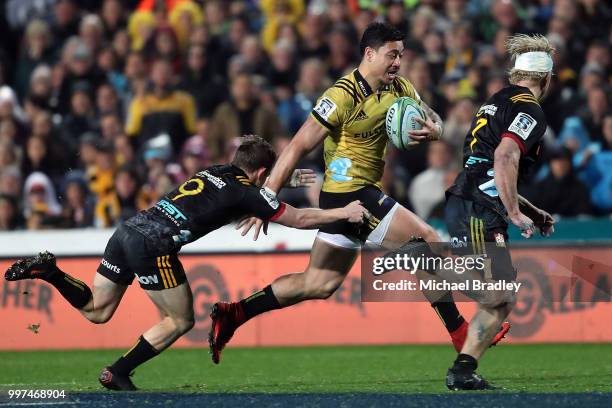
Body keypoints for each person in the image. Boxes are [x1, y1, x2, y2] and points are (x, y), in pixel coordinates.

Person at [209, 22, 509, 365]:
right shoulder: (341, 96)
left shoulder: (400, 87)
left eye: (401, 54)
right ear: (369, 54)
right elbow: (297, 146)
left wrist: (436, 129)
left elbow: (432, 116)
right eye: (391, 54)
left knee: (318, 283)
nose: (398, 62)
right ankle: (470, 323)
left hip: (362, 193)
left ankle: (234, 313)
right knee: (424, 239)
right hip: (347, 195)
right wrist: (265, 199)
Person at [4, 136, 368, 391]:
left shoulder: (217, 171)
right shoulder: (246, 191)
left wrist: (287, 181)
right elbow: (301, 219)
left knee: (97, 310)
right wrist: (344, 210)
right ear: (260, 173)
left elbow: (269, 184)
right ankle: (118, 372)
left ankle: (51, 272)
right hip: (155, 245)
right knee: (181, 320)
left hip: (129, 229)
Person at [444, 34, 556, 390]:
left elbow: (486, 167)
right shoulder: (531, 110)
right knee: (499, 294)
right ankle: (430, 264)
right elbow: (504, 157)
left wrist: (530, 208)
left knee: (503, 297)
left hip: (472, 199)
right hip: (480, 208)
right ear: (546, 80)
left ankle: (464, 369)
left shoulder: (495, 101)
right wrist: (514, 212)